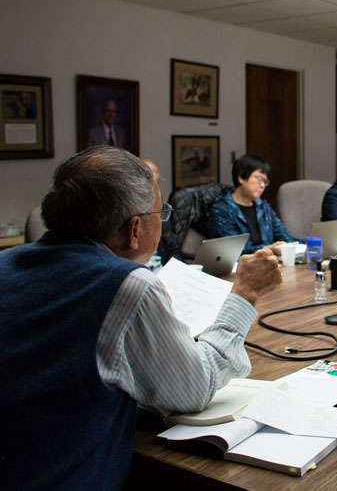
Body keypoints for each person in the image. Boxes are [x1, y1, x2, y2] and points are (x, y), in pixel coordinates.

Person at [0, 147, 281, 489]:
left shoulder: (6, 263)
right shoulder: (127, 286)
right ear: (134, 228)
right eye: (160, 212)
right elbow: (195, 389)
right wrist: (245, 293)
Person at [208, 154, 293, 255]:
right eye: (258, 179)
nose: (262, 185)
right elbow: (233, 252)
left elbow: (286, 237)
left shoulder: (263, 206)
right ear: (241, 178)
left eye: (265, 182)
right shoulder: (221, 210)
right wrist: (268, 249)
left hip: (269, 262)